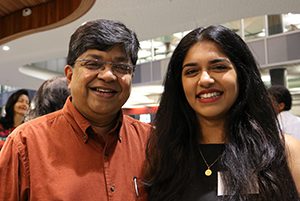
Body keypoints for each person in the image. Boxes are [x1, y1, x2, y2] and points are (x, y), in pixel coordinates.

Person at [0, 19, 151, 201]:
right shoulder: (25, 144)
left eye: (121, 67)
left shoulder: (151, 143)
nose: (108, 75)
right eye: (93, 64)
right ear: (70, 76)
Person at [144, 25, 300, 201]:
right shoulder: (163, 152)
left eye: (218, 67)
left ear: (242, 75)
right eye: (191, 71)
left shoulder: (285, 151)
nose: (205, 80)